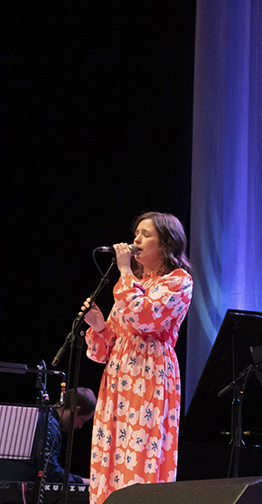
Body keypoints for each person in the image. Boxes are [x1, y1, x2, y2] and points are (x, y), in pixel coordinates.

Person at [81, 212, 193, 504]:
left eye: (145, 234)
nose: (136, 240)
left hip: (150, 374)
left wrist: (125, 271)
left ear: (167, 243)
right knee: (111, 452)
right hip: (118, 377)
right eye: (136, 234)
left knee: (141, 453)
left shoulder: (178, 281)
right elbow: (104, 349)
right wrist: (98, 326)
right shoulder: (132, 283)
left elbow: (145, 318)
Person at [43, 387, 97, 484]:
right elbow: (51, 472)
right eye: (82, 420)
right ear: (76, 410)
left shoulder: (44, 416)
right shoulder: (51, 428)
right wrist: (85, 482)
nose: (80, 426)